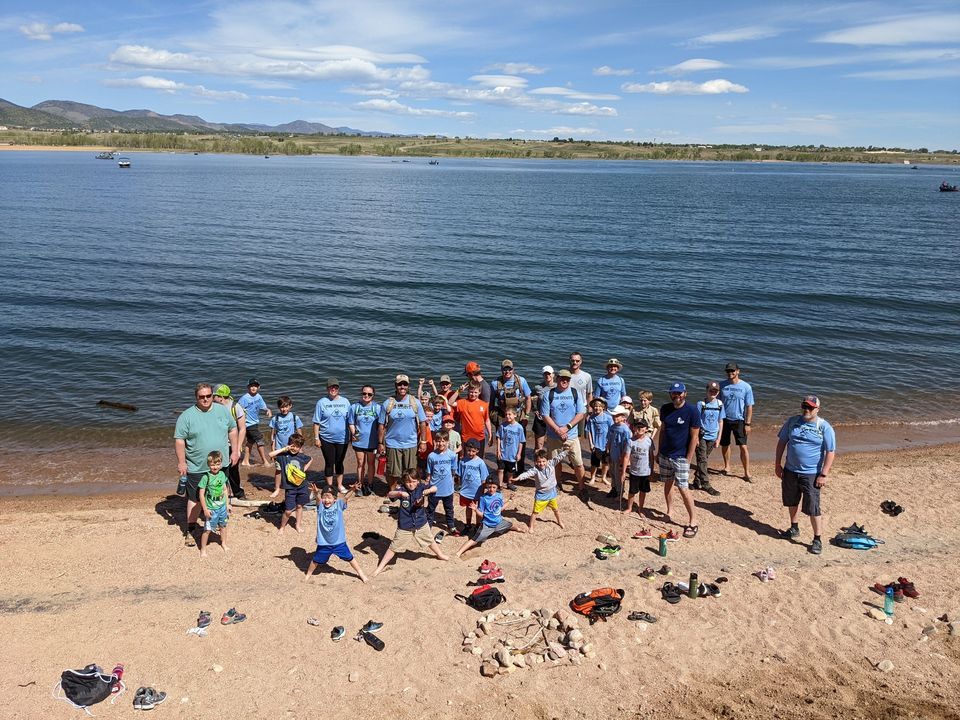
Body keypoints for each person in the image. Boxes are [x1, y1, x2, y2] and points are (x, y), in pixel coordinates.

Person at [174, 383, 238, 548]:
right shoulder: (187, 416)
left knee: (218, 493)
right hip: (196, 466)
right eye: (201, 396)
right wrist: (181, 462)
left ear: (212, 395)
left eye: (208, 396)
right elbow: (179, 440)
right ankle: (190, 528)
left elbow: (233, 429)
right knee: (195, 500)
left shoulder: (222, 410)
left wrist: (235, 451)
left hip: (220, 464)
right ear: (196, 397)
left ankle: (218, 520)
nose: (205, 399)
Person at [775, 395, 836, 555]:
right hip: (790, 470)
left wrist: (824, 474)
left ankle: (817, 539)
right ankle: (794, 528)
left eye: (810, 407)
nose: (806, 410)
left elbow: (830, 451)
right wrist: (777, 464)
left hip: (811, 474)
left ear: (817, 409)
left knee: (813, 508)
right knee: (791, 501)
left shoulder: (824, 427)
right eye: (804, 406)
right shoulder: (792, 422)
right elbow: (782, 442)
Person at [373, 469, 449, 576]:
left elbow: (435, 487)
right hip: (405, 525)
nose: (411, 484)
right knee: (394, 546)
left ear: (418, 481)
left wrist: (429, 490)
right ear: (404, 482)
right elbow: (390, 494)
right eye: (408, 482)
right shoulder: (402, 489)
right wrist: (399, 493)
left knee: (429, 540)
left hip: (420, 522)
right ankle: (380, 567)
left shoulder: (421, 487)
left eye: (414, 481)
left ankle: (440, 555)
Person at [658, 383, 701, 538]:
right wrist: (659, 451)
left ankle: (693, 521)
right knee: (667, 483)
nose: (676, 395)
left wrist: (689, 458)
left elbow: (695, 436)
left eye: (679, 393)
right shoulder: (665, 409)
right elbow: (663, 430)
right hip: (665, 454)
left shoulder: (692, 410)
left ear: (685, 394)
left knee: (683, 488)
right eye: (673, 393)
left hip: (681, 457)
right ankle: (669, 511)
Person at [304, 484, 368, 583]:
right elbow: (317, 499)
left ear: (335, 499)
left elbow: (346, 497)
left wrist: (353, 489)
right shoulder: (320, 507)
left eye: (329, 497)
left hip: (339, 542)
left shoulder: (338, 505)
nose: (326, 500)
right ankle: (308, 575)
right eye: (324, 497)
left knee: (350, 558)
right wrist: (316, 493)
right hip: (324, 543)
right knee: (315, 560)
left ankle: (361, 574)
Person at [378, 374, 428, 492]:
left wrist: (423, 441)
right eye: (400, 384)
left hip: (411, 443)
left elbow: (422, 422)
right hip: (392, 443)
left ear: (408, 386)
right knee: (393, 472)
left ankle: (410, 492)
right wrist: (380, 443)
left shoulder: (415, 402)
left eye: (404, 384)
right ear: (396, 386)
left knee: (411, 471)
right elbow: (381, 425)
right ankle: (393, 491)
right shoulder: (388, 403)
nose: (402, 387)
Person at [540, 369, 587, 495]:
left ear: (570, 381)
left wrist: (567, 427)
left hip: (571, 436)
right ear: (557, 379)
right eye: (562, 378)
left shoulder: (575, 393)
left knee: (578, 463)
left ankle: (582, 487)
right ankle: (557, 484)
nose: (564, 381)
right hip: (553, 436)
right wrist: (557, 430)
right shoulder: (548, 395)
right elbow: (545, 415)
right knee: (555, 463)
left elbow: (581, 413)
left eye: (567, 379)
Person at [455, 478, 527, 557]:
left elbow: (501, 508)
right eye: (489, 487)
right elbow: (481, 514)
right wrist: (475, 509)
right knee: (474, 540)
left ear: (497, 487)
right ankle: (459, 552)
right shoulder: (483, 498)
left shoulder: (499, 495)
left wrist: (510, 500)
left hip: (499, 522)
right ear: (486, 487)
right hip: (487, 525)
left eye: (494, 487)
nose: (491, 489)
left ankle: (518, 529)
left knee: (510, 525)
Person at [489, 360, 532, 472]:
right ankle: (502, 470)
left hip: (518, 416)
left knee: (519, 444)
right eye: (505, 369)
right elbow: (491, 402)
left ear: (513, 369)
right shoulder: (495, 383)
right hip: (503, 416)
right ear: (501, 370)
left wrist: (527, 416)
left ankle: (519, 471)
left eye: (509, 369)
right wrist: (492, 417)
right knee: (502, 443)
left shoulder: (521, 381)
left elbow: (528, 398)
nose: (507, 371)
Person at [312, 378, 351, 495]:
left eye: (335, 387)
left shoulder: (345, 401)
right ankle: (329, 486)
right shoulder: (321, 402)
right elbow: (316, 422)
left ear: (338, 389)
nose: (333, 389)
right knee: (329, 462)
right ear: (327, 388)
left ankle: (339, 485)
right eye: (331, 387)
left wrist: (354, 434)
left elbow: (351, 421)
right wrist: (316, 438)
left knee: (339, 462)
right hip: (326, 438)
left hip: (343, 438)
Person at [513, 448, 568, 531]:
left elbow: (559, 457)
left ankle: (559, 521)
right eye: (539, 462)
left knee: (556, 510)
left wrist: (567, 451)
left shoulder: (551, 463)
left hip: (552, 493)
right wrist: (518, 478)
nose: (541, 463)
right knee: (535, 512)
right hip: (541, 495)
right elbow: (527, 474)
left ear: (547, 460)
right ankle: (531, 526)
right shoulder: (535, 470)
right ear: (535, 462)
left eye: (543, 461)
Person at [269, 433, 313, 534]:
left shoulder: (301, 456)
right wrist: (285, 449)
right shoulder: (284, 456)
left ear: (300, 447)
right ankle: (282, 527)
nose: (295, 448)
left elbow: (311, 459)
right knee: (288, 510)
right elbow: (270, 455)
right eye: (293, 445)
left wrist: (304, 470)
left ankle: (298, 525)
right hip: (290, 488)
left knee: (299, 506)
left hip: (302, 486)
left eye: (297, 446)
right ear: (289, 444)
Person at [719, 362, 755, 482]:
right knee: (725, 444)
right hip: (724, 419)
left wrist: (748, 424)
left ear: (738, 371)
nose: (730, 373)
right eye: (728, 371)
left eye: (733, 371)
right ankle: (727, 466)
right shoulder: (722, 385)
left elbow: (749, 406)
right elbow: (717, 403)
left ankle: (746, 472)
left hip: (739, 420)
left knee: (743, 447)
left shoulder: (746, 387)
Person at [212, 384, 247, 499]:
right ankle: (222, 493)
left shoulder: (235, 407)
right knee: (218, 468)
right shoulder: (214, 407)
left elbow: (242, 429)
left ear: (221, 397)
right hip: (218, 444)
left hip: (232, 444)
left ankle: (238, 493)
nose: (212, 398)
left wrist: (237, 448)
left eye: (214, 396)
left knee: (233, 470)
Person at [347, 385, 381, 496]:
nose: (366, 396)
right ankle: (360, 484)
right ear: (361, 394)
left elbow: (381, 425)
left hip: (372, 441)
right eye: (364, 393)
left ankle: (370, 484)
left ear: (373, 395)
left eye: (369, 394)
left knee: (371, 463)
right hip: (359, 441)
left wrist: (382, 441)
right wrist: (354, 433)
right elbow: (351, 422)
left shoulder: (377, 408)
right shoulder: (354, 407)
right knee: (360, 463)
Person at [268, 395, 304, 499]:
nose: (284, 409)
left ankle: (293, 485)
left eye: (286, 406)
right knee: (279, 469)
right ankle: (277, 488)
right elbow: (273, 436)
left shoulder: (294, 417)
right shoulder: (275, 418)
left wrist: (300, 448)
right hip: (280, 449)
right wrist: (273, 450)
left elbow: (300, 434)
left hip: (293, 448)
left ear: (290, 406)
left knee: (293, 467)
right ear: (279, 408)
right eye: (282, 407)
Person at [198, 450, 231, 557]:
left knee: (223, 526)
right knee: (207, 530)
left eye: (217, 464)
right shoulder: (206, 477)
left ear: (221, 464)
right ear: (208, 465)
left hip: (222, 507)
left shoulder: (222, 475)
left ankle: (224, 543)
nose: (215, 467)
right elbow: (201, 494)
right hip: (211, 509)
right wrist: (205, 509)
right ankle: (203, 549)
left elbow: (225, 490)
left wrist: (227, 504)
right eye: (212, 465)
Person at [693, 382, 724, 496]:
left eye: (715, 391)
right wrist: (695, 437)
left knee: (704, 459)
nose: (713, 393)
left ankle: (696, 481)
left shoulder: (720, 404)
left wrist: (718, 438)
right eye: (711, 390)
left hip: (713, 436)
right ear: (706, 391)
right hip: (702, 436)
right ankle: (706, 484)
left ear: (718, 392)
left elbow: (720, 421)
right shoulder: (700, 404)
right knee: (703, 460)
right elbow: (695, 422)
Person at [425, 431, 458, 534]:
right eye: (438, 441)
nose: (441, 444)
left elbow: (453, 470)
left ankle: (451, 526)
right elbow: (429, 473)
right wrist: (428, 484)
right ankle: (428, 526)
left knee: (449, 509)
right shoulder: (431, 456)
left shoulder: (452, 455)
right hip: (434, 488)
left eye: (443, 441)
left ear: (448, 442)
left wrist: (452, 482)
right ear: (435, 442)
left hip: (447, 488)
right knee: (430, 509)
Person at [237, 379, 272, 466]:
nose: (253, 388)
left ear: (259, 387)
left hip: (255, 422)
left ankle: (245, 461)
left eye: (255, 386)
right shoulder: (244, 398)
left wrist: (268, 410)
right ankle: (265, 461)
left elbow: (263, 406)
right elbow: (237, 410)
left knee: (250, 441)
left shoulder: (258, 396)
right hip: (248, 424)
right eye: (251, 386)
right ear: (248, 387)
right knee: (259, 440)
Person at [623, 418, 654, 516]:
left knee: (643, 491)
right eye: (637, 426)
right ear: (634, 427)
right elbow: (626, 457)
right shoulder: (630, 441)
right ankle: (629, 507)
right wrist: (623, 471)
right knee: (632, 491)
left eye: (642, 427)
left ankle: (641, 508)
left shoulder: (649, 441)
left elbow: (651, 457)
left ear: (646, 429)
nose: (640, 428)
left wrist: (652, 470)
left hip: (645, 471)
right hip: (634, 471)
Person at [457, 439, 489, 535]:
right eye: (468, 450)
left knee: (477, 509)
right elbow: (460, 475)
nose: (470, 453)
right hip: (466, 490)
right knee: (468, 508)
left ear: (477, 451)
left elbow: (484, 479)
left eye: (473, 451)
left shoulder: (480, 462)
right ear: (465, 449)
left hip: (477, 491)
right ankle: (468, 525)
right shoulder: (462, 461)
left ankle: (478, 525)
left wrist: (482, 491)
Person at [454, 382, 492, 453]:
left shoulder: (484, 405)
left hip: (480, 437)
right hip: (466, 437)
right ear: (468, 391)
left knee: (478, 459)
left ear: (479, 392)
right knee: (467, 459)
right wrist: (458, 391)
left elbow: (487, 420)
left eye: (475, 392)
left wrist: (490, 434)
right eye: (471, 392)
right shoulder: (462, 403)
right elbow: (450, 402)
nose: (473, 394)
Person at [495, 407, 526, 490]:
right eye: (506, 414)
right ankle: (500, 485)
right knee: (500, 469)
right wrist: (498, 450)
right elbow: (499, 438)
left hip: (512, 453)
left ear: (515, 415)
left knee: (510, 470)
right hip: (502, 452)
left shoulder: (519, 427)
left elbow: (521, 441)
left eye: (509, 414)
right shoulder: (502, 426)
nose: (507, 416)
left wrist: (519, 453)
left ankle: (510, 483)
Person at [605, 405, 632, 502]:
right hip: (612, 454)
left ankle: (620, 491)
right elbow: (609, 440)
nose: (614, 417)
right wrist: (607, 452)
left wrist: (624, 458)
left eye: (617, 416)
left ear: (623, 417)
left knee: (619, 474)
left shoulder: (625, 430)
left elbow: (627, 446)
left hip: (620, 456)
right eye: (614, 416)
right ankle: (614, 489)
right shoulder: (612, 427)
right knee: (612, 473)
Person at [585, 397, 613, 485]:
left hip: (606, 444)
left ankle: (603, 477)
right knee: (594, 463)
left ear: (603, 407)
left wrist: (610, 444)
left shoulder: (608, 418)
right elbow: (589, 431)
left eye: (599, 406)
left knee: (605, 462)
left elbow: (612, 431)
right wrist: (591, 443)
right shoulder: (591, 418)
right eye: (595, 406)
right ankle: (592, 477)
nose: (597, 408)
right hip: (596, 444)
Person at [531, 366, 555, 452]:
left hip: (553, 419)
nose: (547, 375)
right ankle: (537, 464)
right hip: (540, 419)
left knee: (553, 446)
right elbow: (528, 398)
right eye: (545, 374)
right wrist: (534, 409)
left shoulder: (557, 387)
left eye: (549, 374)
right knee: (538, 446)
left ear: (553, 375)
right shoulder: (538, 388)